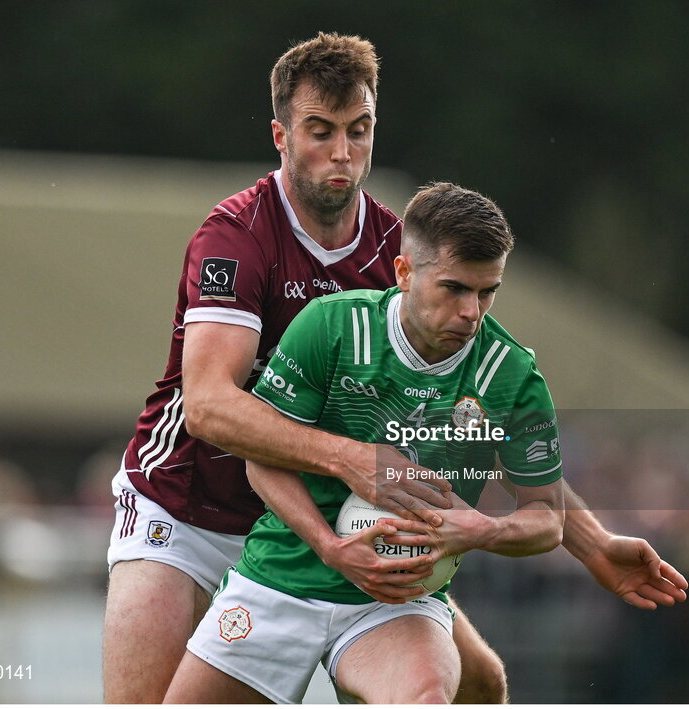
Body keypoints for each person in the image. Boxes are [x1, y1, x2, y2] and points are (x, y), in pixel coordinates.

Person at [105, 32, 686, 704]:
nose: (343, 154)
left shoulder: (401, 252)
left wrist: (590, 542)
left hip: (319, 519)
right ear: (281, 135)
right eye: (320, 132)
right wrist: (356, 458)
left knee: (481, 682)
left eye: (360, 131)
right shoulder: (236, 236)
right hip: (187, 508)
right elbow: (209, 406)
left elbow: (485, 407)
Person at [163, 182, 663, 703]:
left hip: (401, 599)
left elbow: (546, 518)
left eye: (487, 291)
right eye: (454, 288)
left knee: (428, 697)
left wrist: (483, 530)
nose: (472, 311)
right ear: (404, 273)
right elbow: (261, 462)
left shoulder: (511, 375)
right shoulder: (331, 327)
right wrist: (332, 549)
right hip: (283, 577)